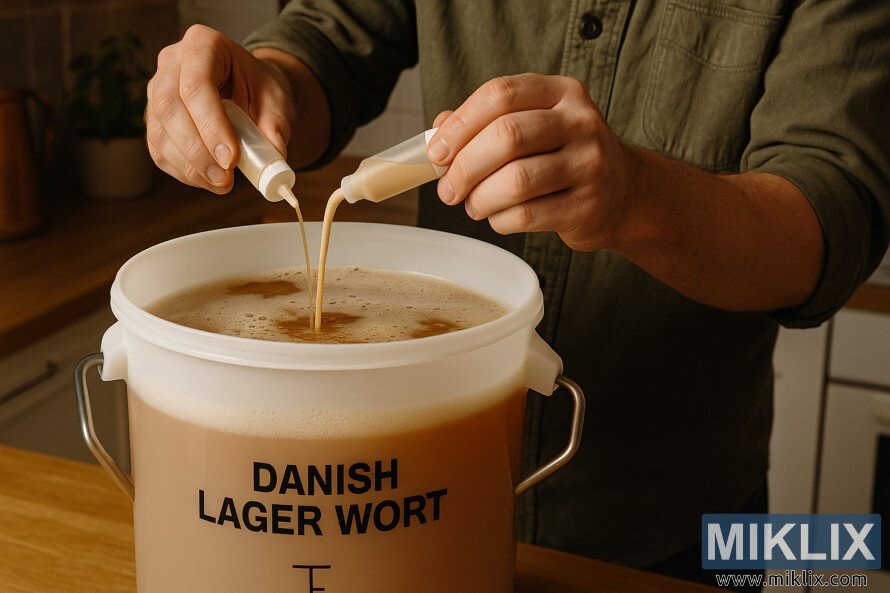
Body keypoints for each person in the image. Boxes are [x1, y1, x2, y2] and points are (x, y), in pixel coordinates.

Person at [144, 1, 890, 589]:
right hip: (418, 514)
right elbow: (328, 41)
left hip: (670, 527)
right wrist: (266, 86)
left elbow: (831, 214)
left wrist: (636, 195)